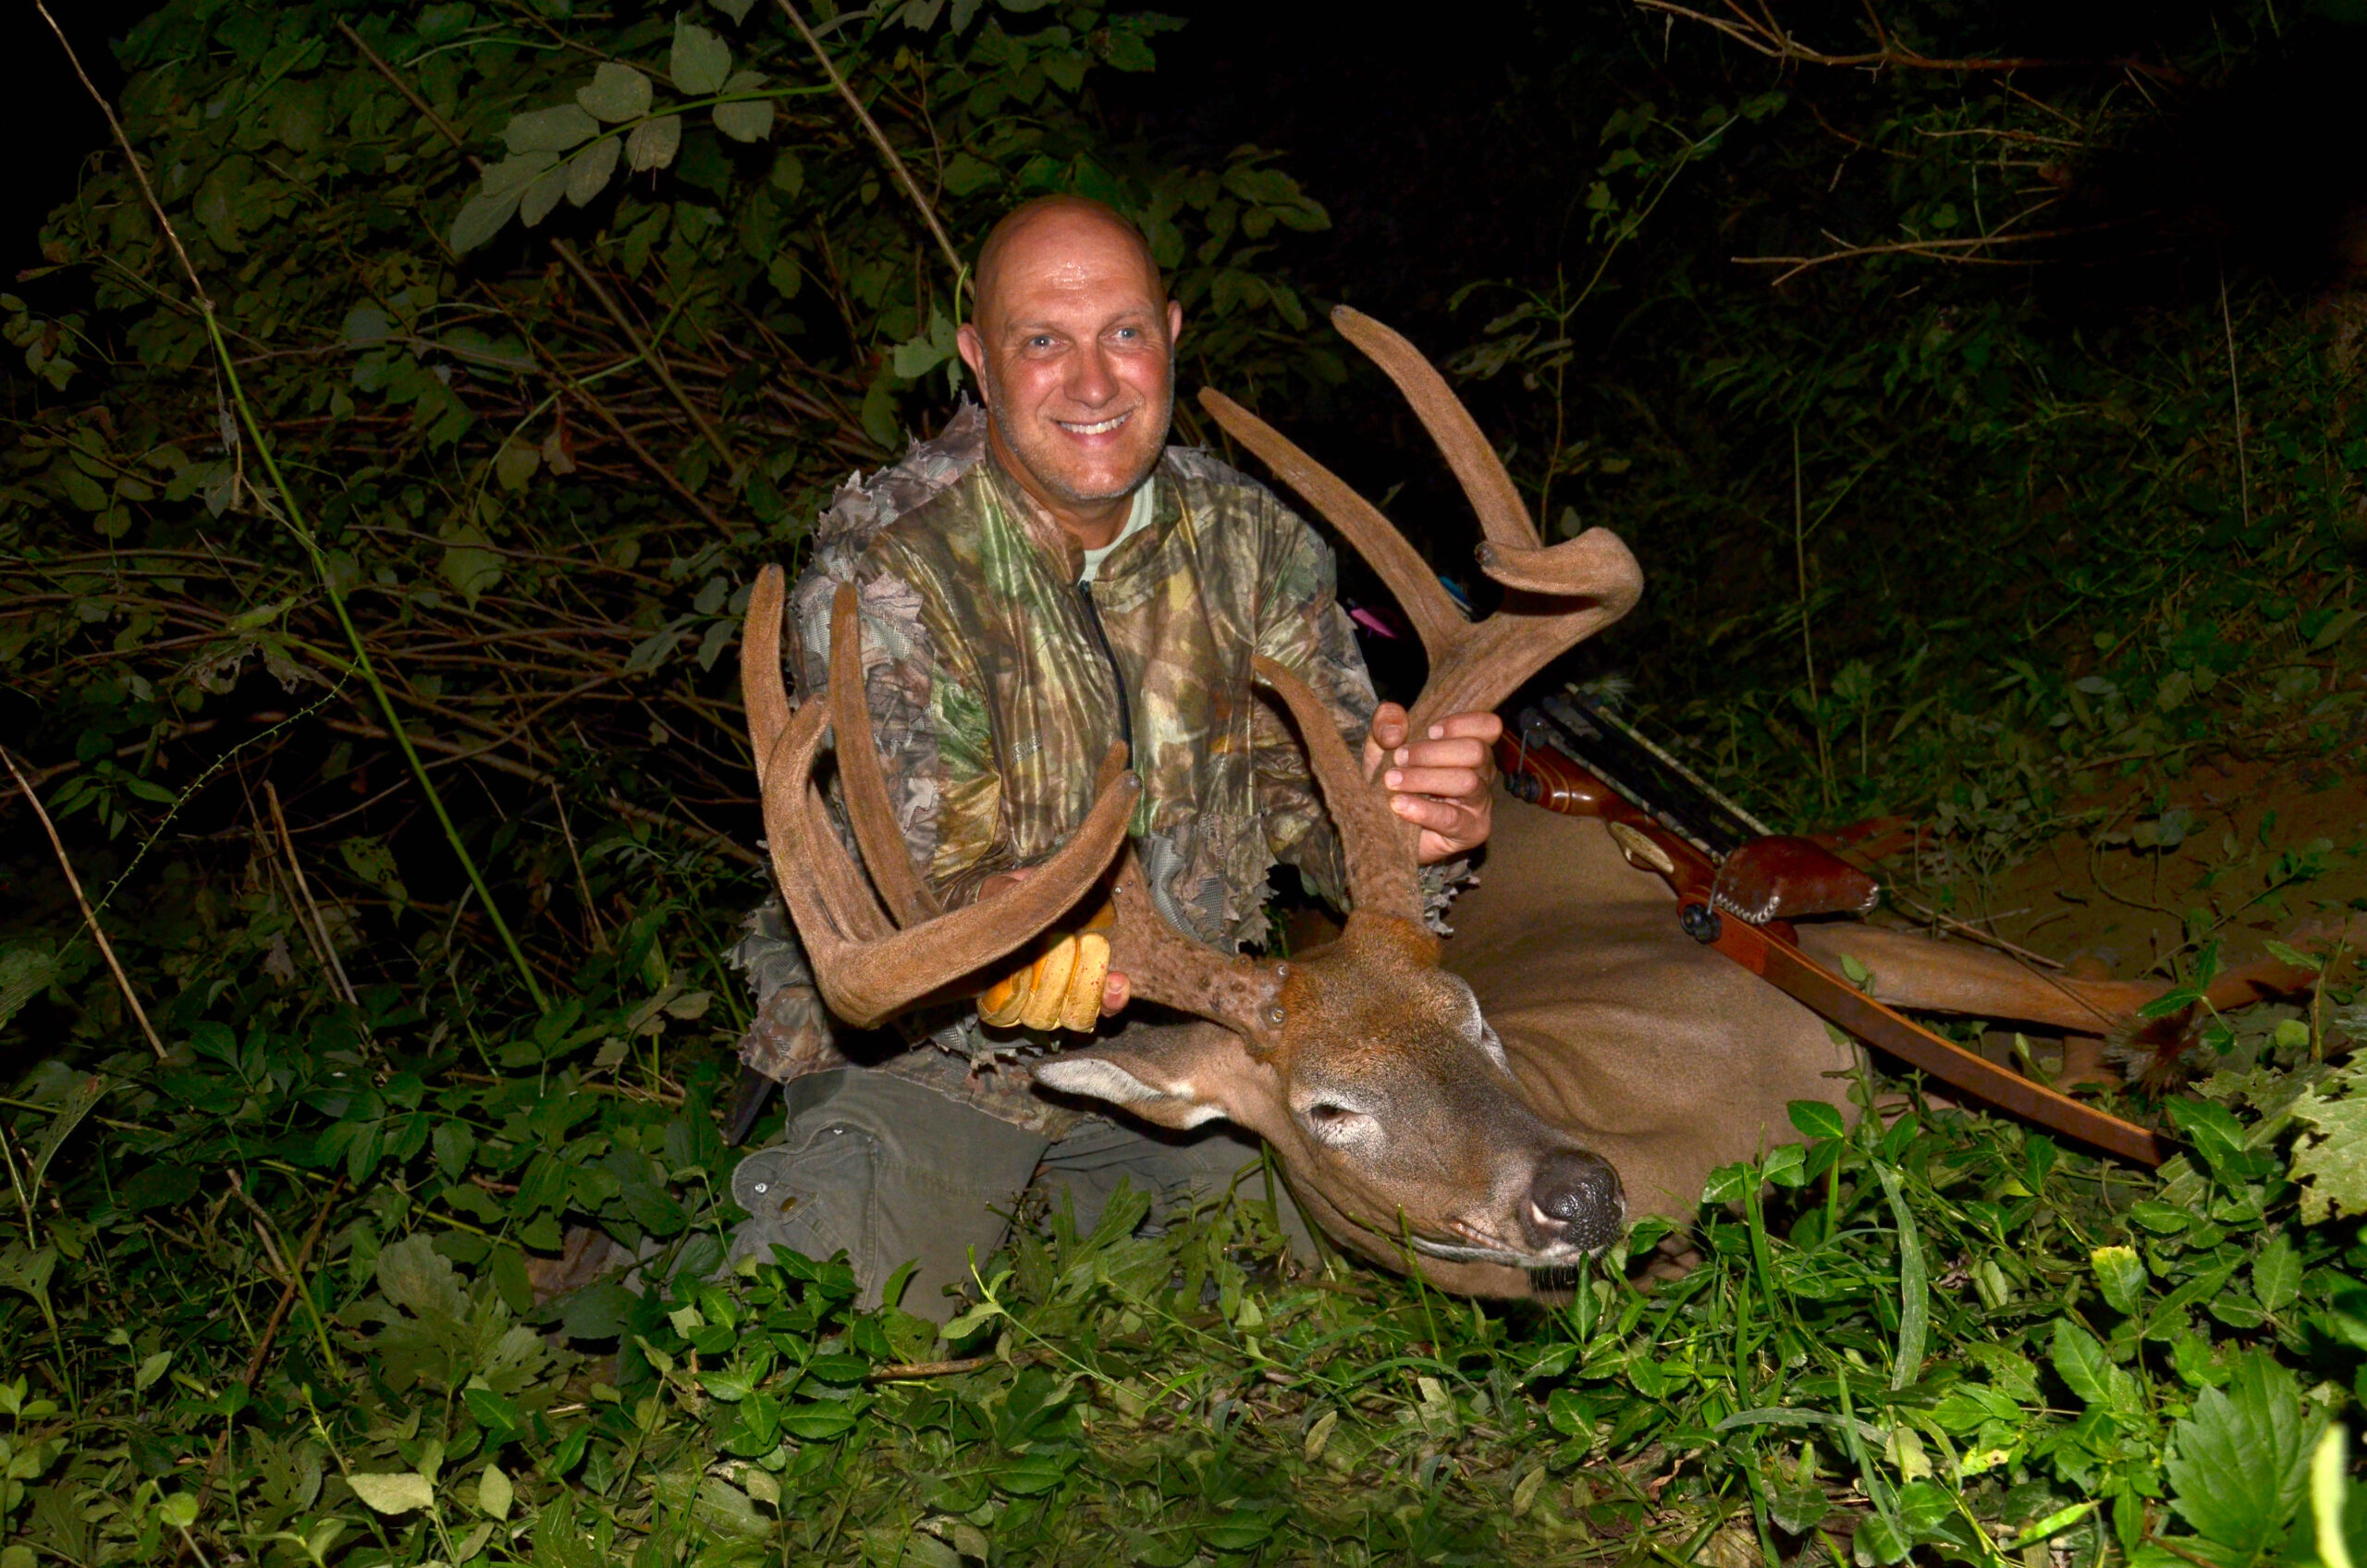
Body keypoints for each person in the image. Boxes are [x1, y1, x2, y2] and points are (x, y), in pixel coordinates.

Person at [727, 196, 1503, 1318]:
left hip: (1185, 1050)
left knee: (1348, 1309)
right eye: (1044, 341)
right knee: (808, 1342)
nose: (1093, 384)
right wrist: (997, 929)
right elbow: (900, 879)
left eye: (1124, 334)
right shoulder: (892, 570)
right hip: (929, 1068)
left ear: (1172, 336)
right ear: (980, 361)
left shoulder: (1258, 543)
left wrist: (1410, 830)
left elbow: (1321, 817)